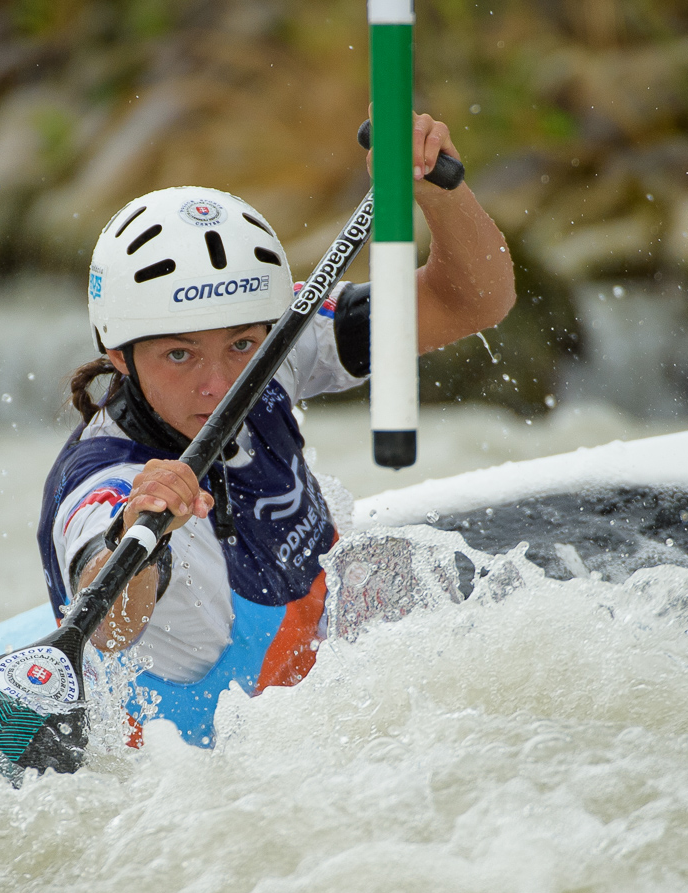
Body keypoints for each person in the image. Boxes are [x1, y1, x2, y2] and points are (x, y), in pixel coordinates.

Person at [38, 112, 514, 747]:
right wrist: (136, 528)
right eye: (179, 355)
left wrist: (436, 191)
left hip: (344, 689)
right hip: (214, 777)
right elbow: (108, 624)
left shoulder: (274, 345)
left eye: (239, 345)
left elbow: (473, 302)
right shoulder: (100, 479)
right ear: (119, 354)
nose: (219, 384)